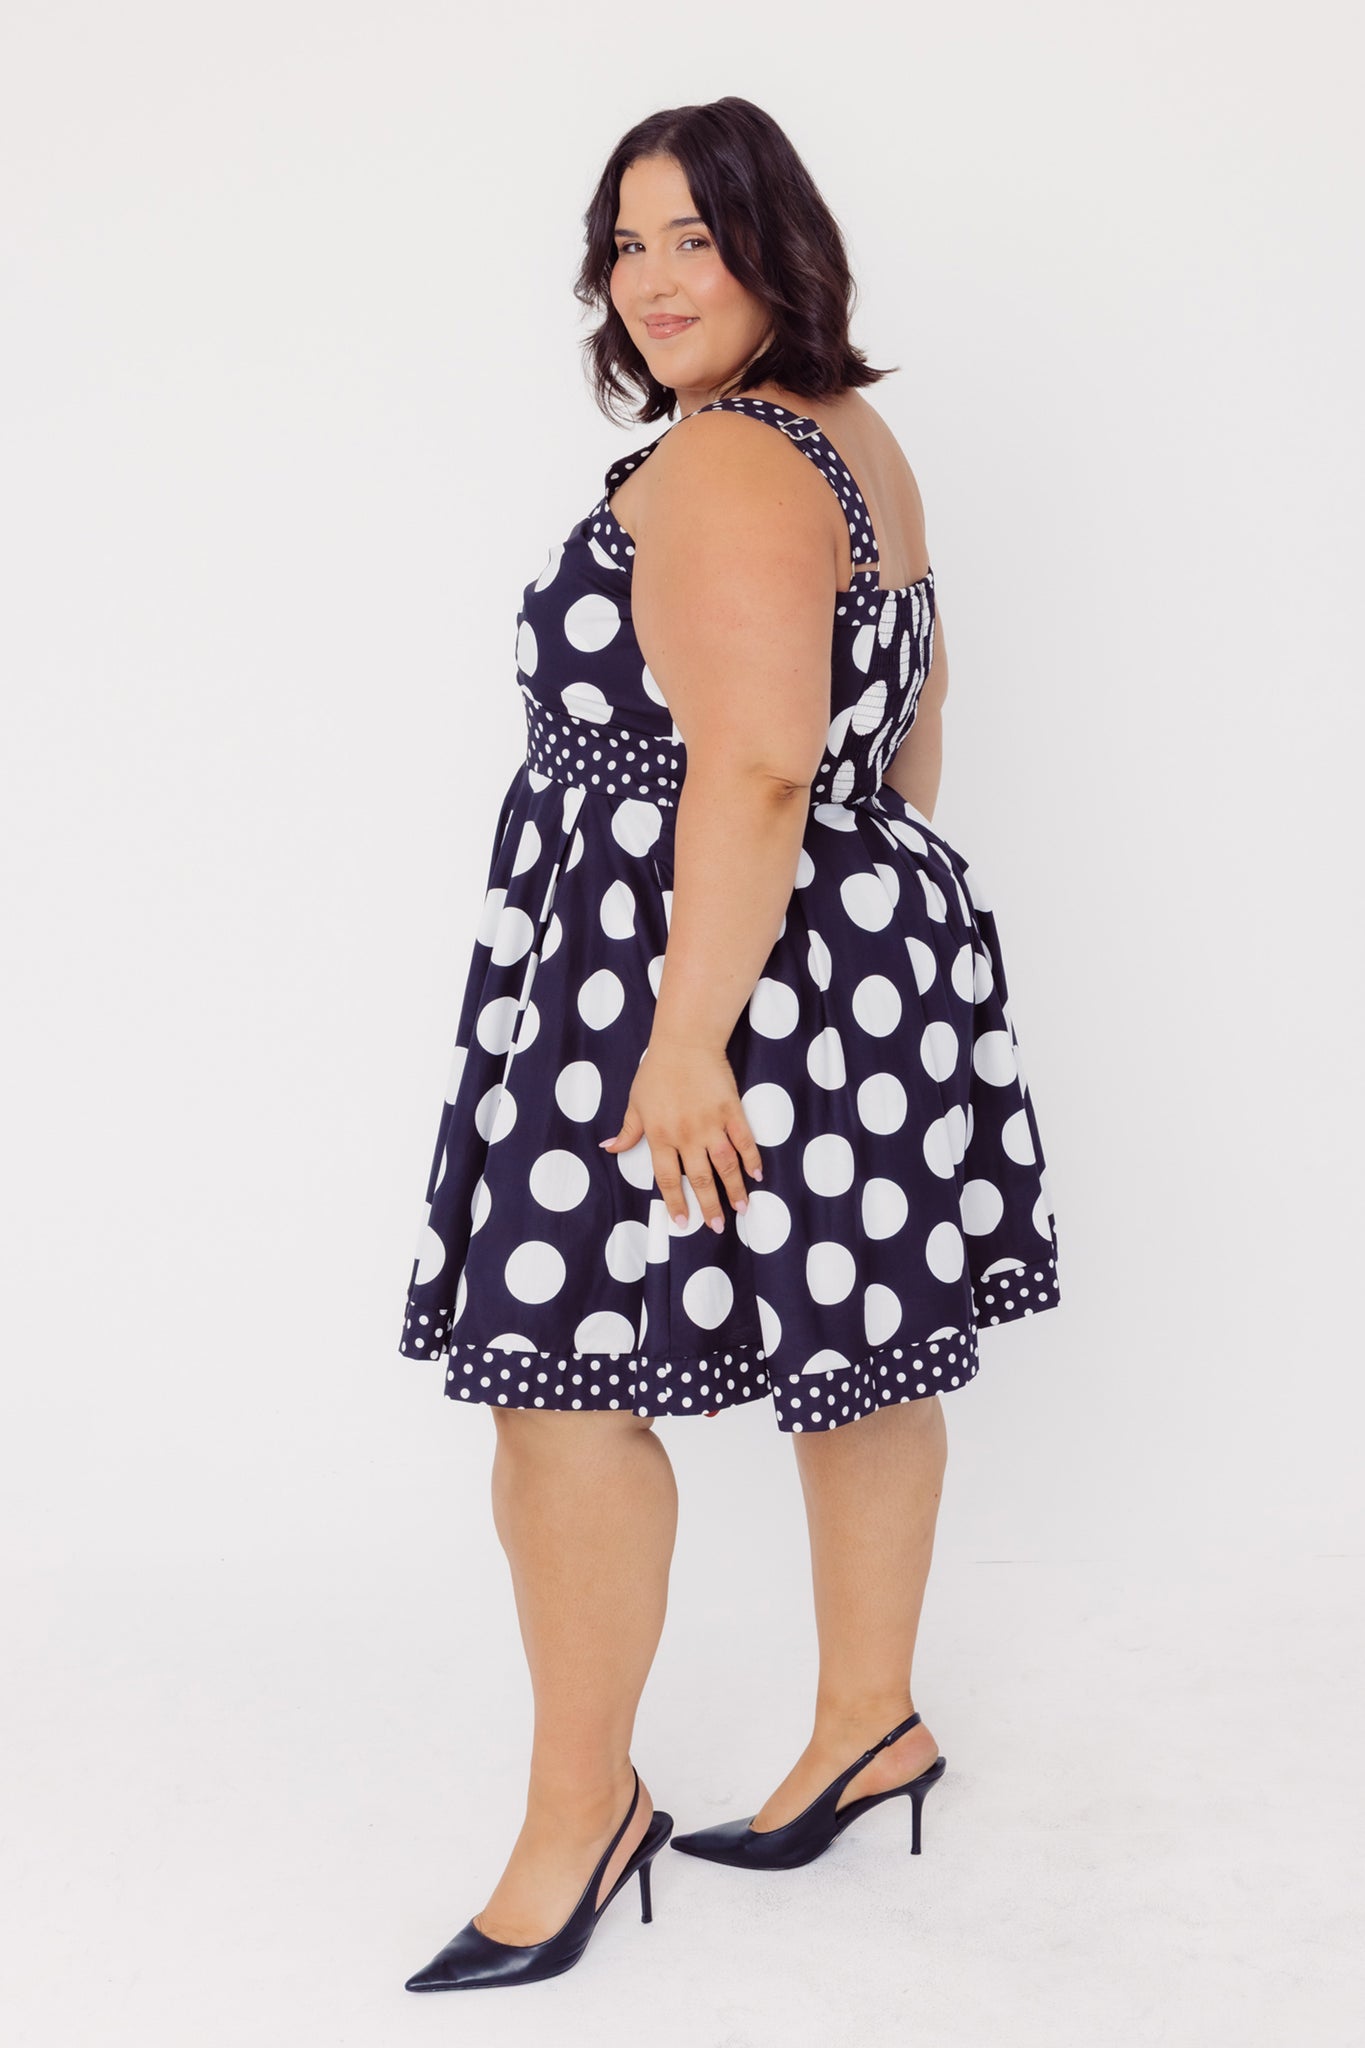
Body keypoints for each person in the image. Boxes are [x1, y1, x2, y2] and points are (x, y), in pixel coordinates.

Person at [399, 95, 1061, 1994]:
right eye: (628, 242)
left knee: (556, 1379)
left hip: (687, 968)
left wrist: (686, 1041)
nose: (656, 277)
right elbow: (901, 733)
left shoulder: (720, 466)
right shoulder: (857, 441)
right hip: (849, 946)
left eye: (697, 234)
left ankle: (576, 1823)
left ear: (783, 245)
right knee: (854, 1348)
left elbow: (758, 761)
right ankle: (871, 1720)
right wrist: (864, 929)